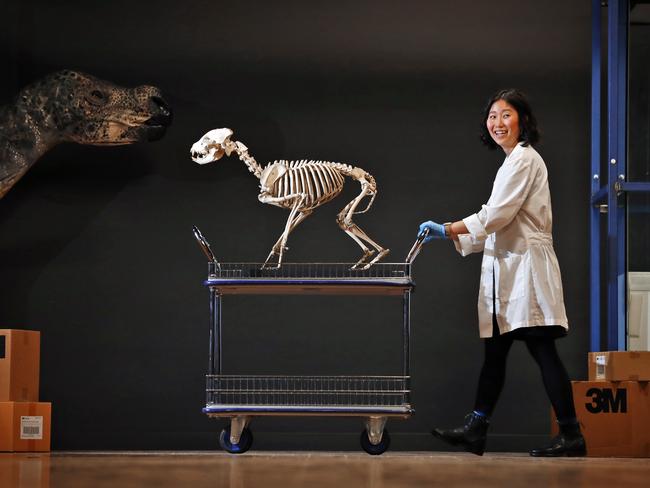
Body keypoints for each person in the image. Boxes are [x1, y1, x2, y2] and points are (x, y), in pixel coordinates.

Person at [418, 89, 586, 457]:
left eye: (505, 115)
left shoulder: (525, 159)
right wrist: (453, 233)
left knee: (542, 349)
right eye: (492, 116)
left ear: (522, 120)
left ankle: (572, 435)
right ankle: (477, 429)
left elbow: (497, 216)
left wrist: (448, 229)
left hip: (527, 269)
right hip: (509, 269)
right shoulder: (510, 163)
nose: (497, 123)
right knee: (495, 352)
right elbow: (498, 223)